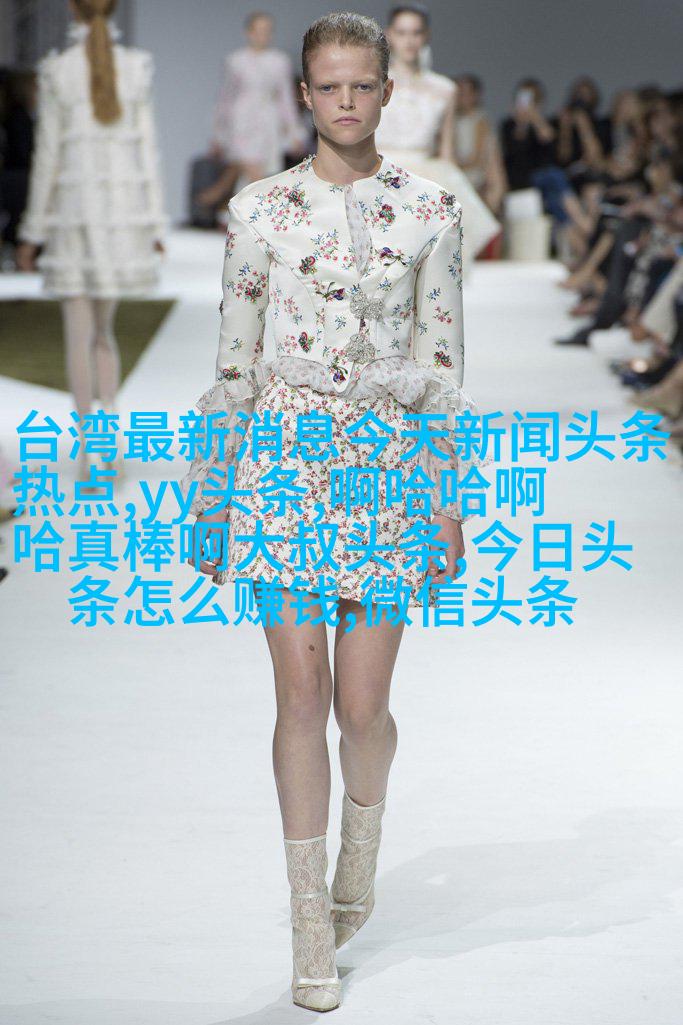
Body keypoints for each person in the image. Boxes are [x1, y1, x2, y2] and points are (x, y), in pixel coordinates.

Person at [180, 10, 488, 1012]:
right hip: (281, 459)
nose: (346, 101)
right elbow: (234, 361)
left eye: (363, 85)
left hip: (387, 465)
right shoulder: (258, 209)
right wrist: (211, 492)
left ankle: (361, 845)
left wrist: (446, 499)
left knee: (362, 708)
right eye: (329, 85)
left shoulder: (431, 211)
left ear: (387, 91)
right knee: (300, 698)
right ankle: (309, 914)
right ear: (304, 93)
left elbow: (440, 368)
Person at [15, 0, 167, 481]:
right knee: (104, 334)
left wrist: (32, 231)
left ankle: (88, 451)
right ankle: (110, 444)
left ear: (71, 9)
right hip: (119, 217)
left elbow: (47, 156)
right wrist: (155, 223)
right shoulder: (136, 67)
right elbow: (147, 149)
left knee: (78, 338)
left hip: (75, 217)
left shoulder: (59, 70)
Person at [372, 4, 500, 276]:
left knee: (428, 266)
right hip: (377, 173)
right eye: (402, 32)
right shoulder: (372, 82)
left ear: (426, 35)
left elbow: (446, 150)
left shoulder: (444, 89)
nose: (409, 40)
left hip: (425, 178)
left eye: (416, 32)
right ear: (389, 34)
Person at [197, 11, 309, 212]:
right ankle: (248, 213)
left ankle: (234, 212)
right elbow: (226, 97)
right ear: (248, 32)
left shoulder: (279, 61)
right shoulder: (236, 60)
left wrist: (293, 130)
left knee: (261, 173)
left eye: (267, 30)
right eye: (258, 30)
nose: (262, 35)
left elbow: (285, 97)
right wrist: (218, 131)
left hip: (268, 120)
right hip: (241, 119)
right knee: (250, 167)